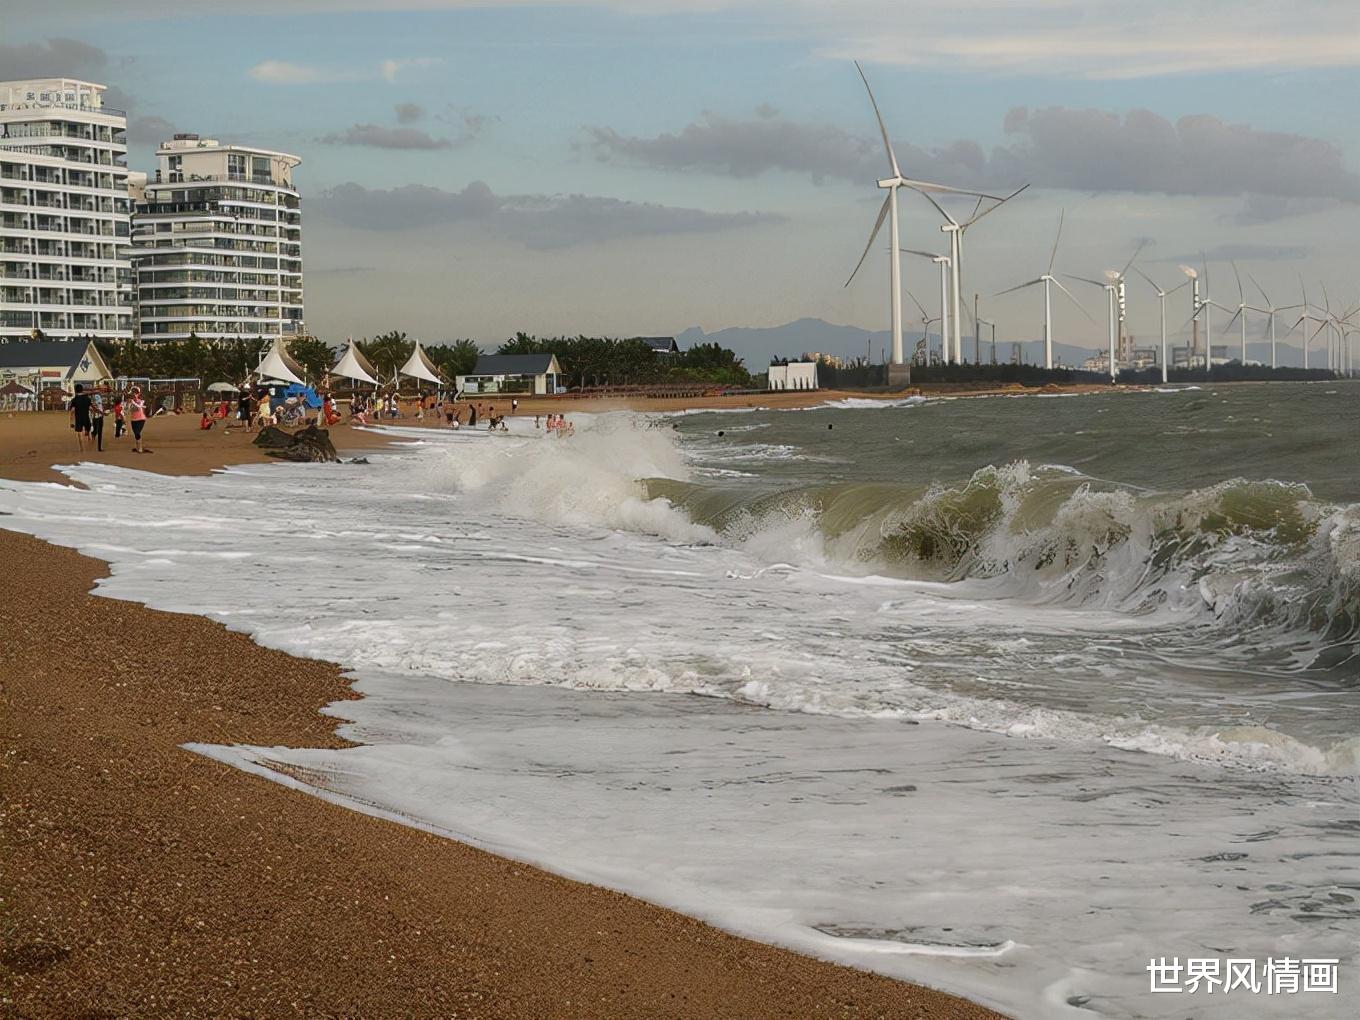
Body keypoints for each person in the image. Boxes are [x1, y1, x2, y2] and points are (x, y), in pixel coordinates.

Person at [68, 383, 92, 452]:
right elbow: (91, 408)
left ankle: (82, 448)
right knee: (88, 431)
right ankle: (90, 444)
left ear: (75, 390)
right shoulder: (87, 399)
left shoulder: (74, 400)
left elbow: (72, 411)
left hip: (78, 418)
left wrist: (71, 421)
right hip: (86, 417)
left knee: (79, 433)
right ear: (82, 390)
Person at [128, 385, 148, 453]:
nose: (134, 394)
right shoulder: (130, 401)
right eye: (133, 393)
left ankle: (140, 448)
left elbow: (139, 407)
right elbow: (129, 409)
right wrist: (130, 404)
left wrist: (134, 403)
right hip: (133, 419)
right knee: (136, 434)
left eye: (135, 393)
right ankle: (138, 447)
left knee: (137, 432)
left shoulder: (141, 400)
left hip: (141, 419)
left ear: (138, 393)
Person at [90, 385, 106, 452]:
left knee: (100, 431)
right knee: (96, 430)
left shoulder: (99, 396)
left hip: (100, 415)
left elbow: (100, 406)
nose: (101, 391)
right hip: (96, 415)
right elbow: (94, 407)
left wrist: (103, 411)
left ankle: (99, 447)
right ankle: (92, 436)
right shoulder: (94, 397)